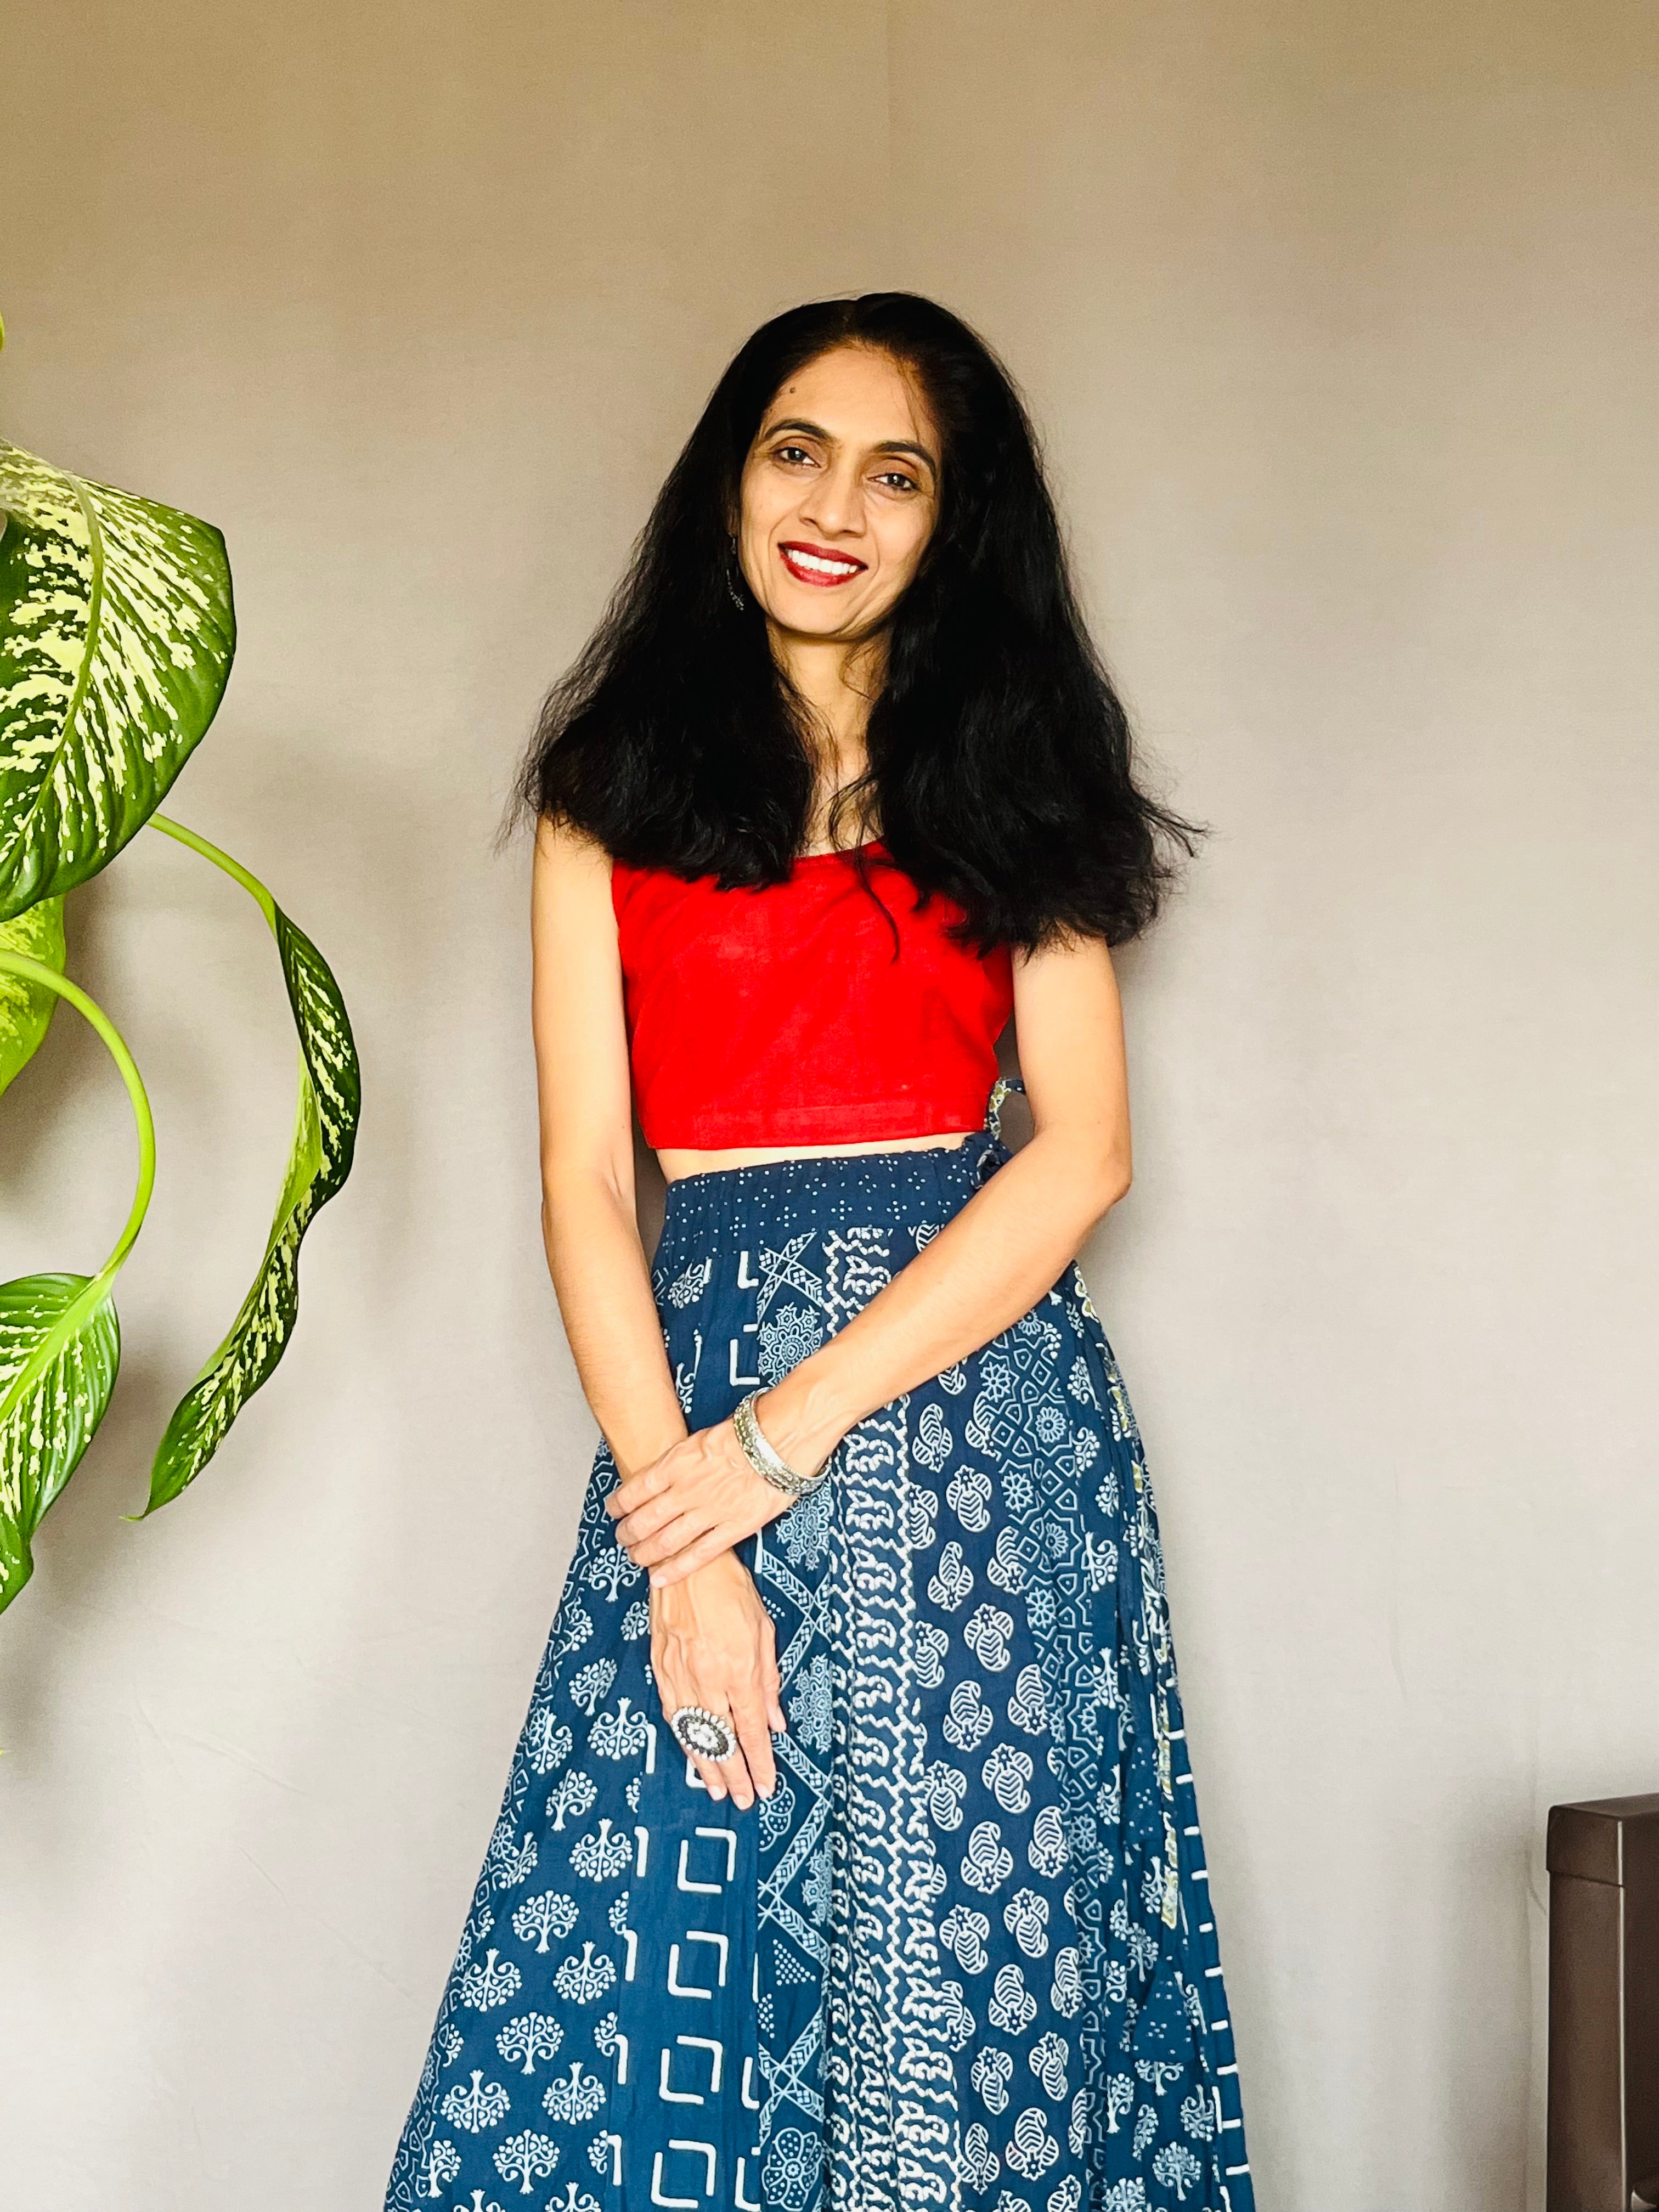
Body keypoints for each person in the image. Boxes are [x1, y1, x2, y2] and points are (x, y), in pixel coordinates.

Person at [385, 292, 1252, 2212]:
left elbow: (1083, 1153)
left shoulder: (1015, 777)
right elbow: (585, 1184)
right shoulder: (607, 789)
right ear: (730, 480)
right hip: (688, 1423)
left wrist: (790, 1433)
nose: (835, 508)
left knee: (998, 1962)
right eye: (797, 452)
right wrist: (686, 1529)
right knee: (639, 1952)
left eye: (896, 473)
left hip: (983, 1421)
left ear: (956, 523)